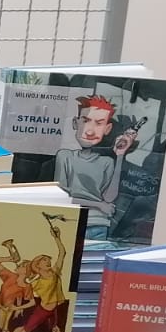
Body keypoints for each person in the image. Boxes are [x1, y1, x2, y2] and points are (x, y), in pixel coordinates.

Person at [52, 94, 136, 240]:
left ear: (107, 129)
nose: (90, 131)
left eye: (99, 124)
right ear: (75, 123)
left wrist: (120, 156)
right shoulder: (65, 156)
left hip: (99, 224)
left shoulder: (107, 162)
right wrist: (98, 205)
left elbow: (109, 198)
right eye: (85, 121)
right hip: (70, 221)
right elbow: (62, 197)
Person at [3, 223, 68, 332]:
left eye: (48, 260)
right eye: (44, 260)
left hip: (54, 309)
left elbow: (62, 253)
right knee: (24, 329)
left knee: (55, 327)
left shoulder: (55, 271)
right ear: (38, 265)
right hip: (43, 310)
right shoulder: (35, 282)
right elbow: (21, 279)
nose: (48, 262)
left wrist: (57, 237)